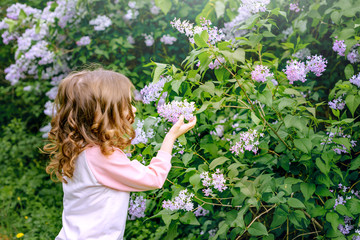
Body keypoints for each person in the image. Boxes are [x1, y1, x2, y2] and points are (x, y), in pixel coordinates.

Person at [43, 69, 196, 240]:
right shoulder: (102, 156)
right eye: (127, 105)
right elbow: (154, 178)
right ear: (104, 114)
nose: (134, 110)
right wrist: (171, 137)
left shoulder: (76, 149)